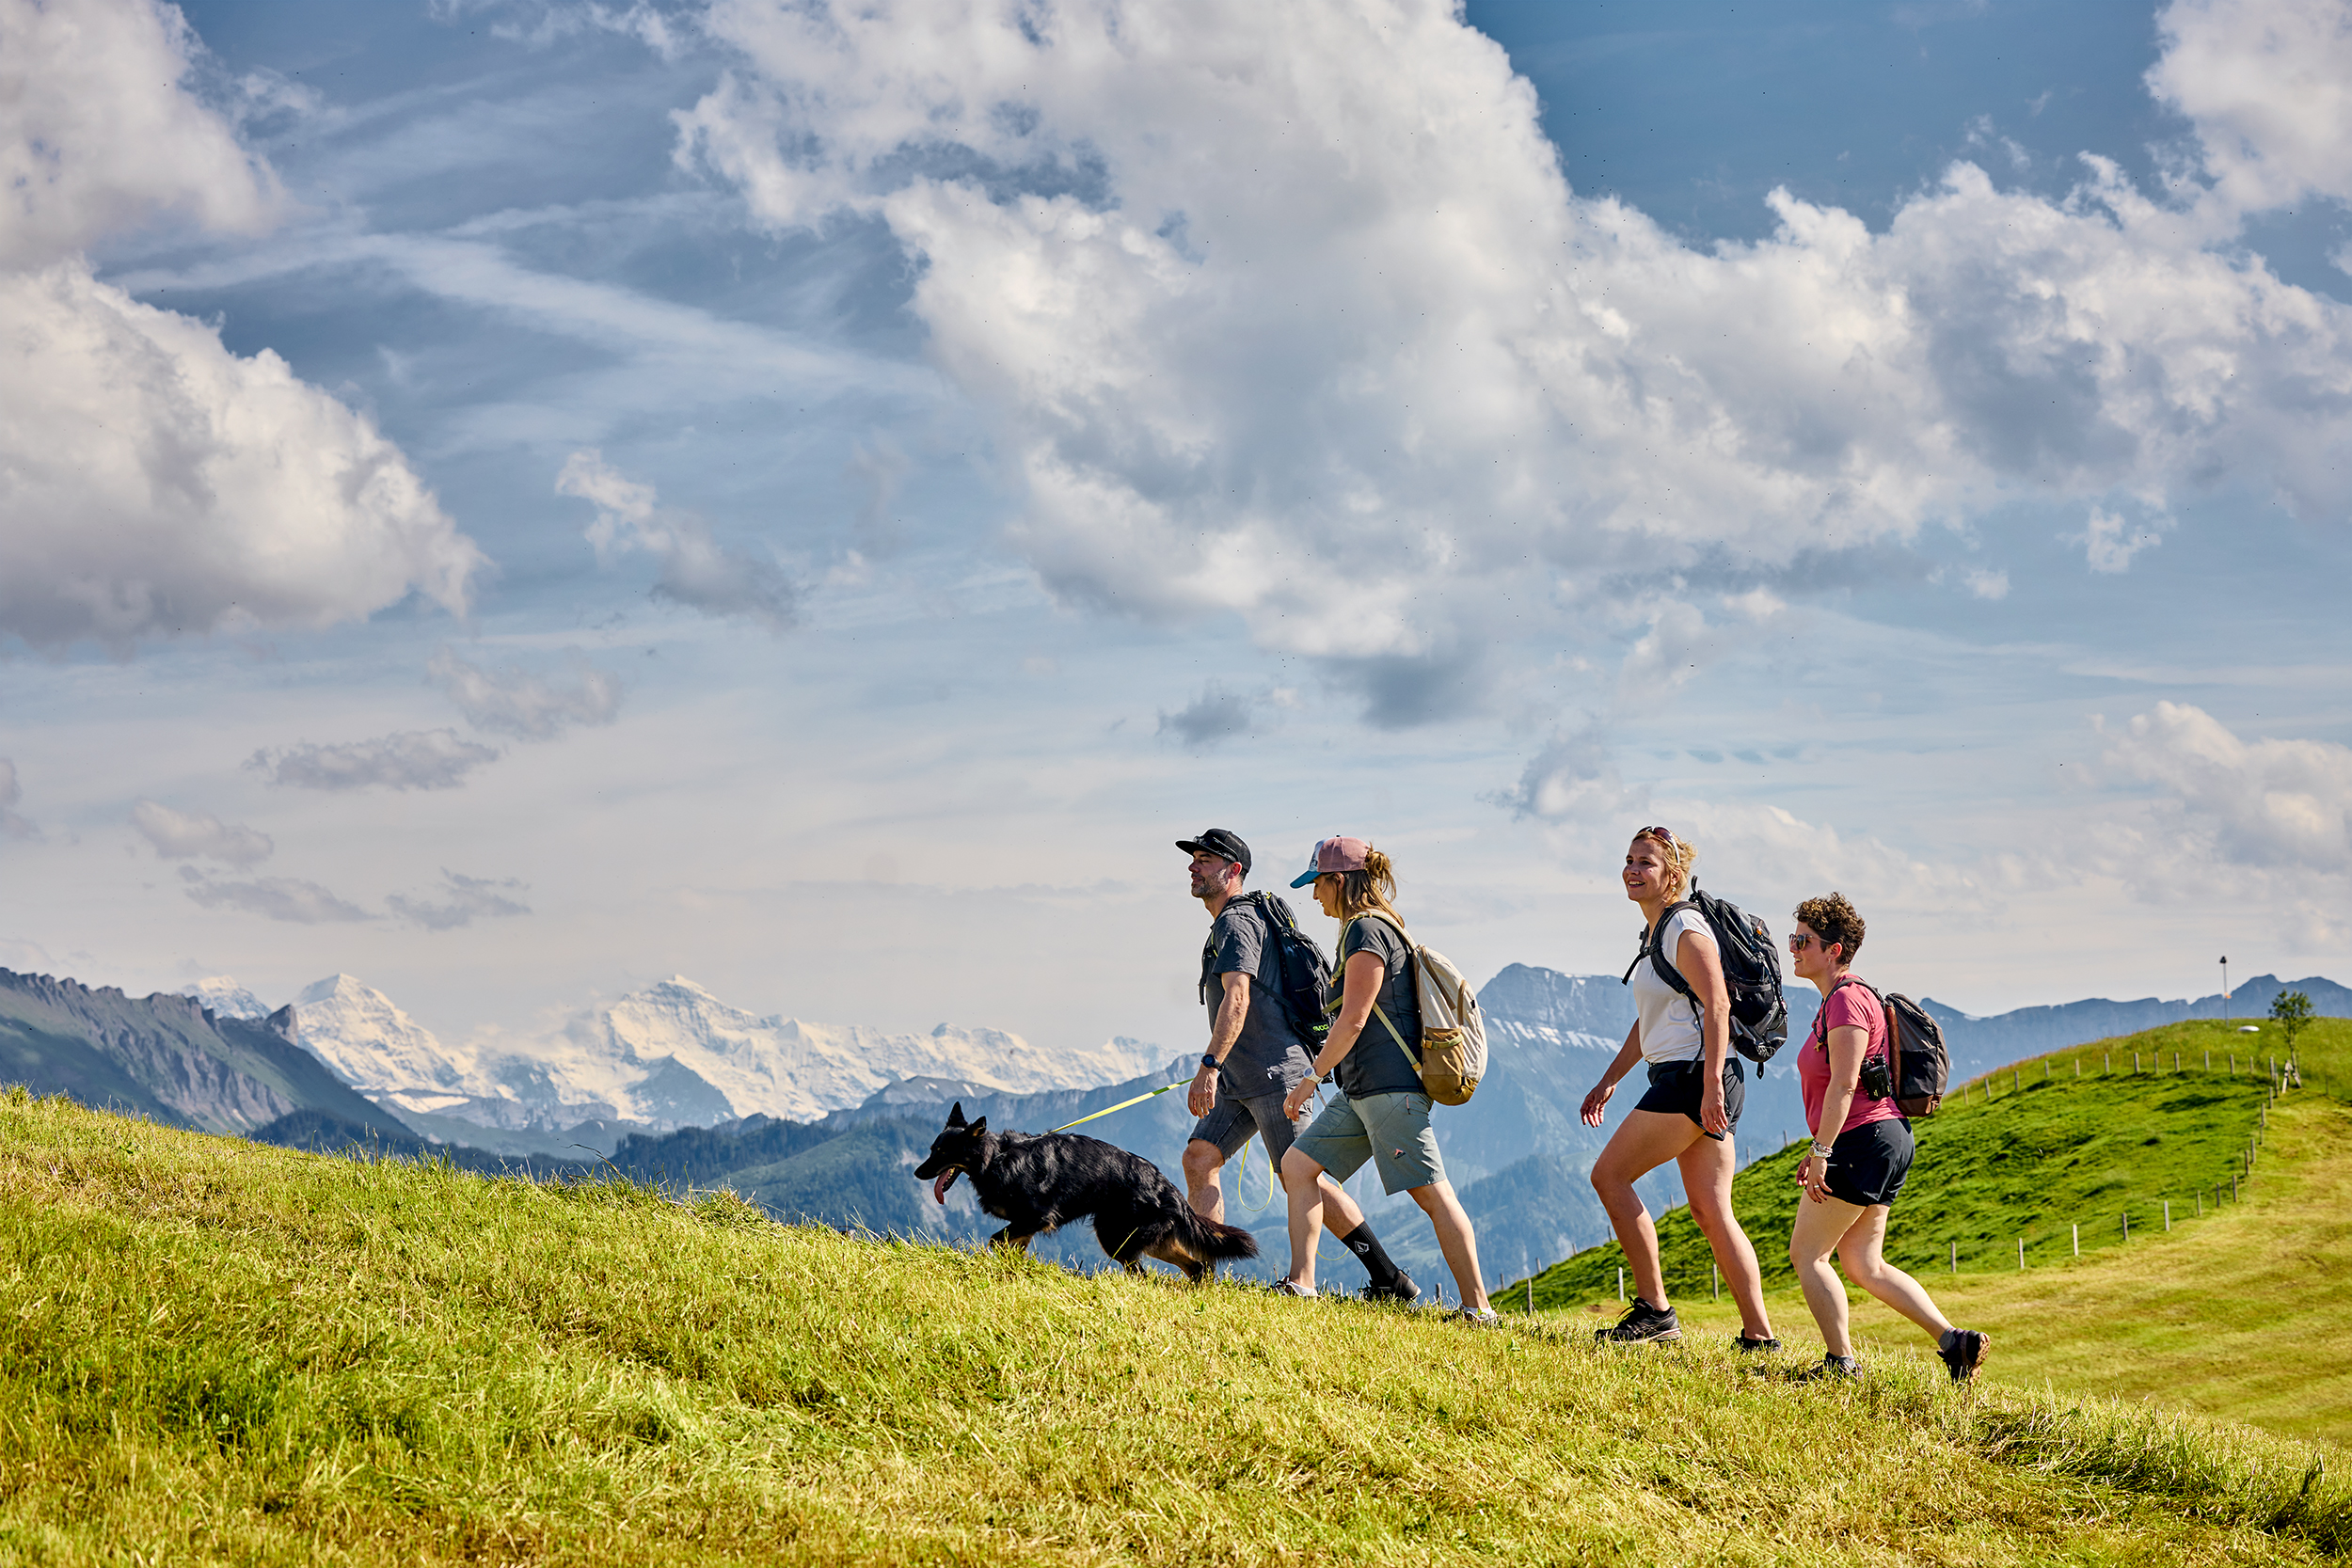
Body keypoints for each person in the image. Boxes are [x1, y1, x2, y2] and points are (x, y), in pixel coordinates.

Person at [1176, 830, 1418, 1301]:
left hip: (1273, 1075)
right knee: (1199, 1157)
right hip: (1241, 1078)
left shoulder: (1236, 922)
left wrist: (1209, 1064)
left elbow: (1238, 995)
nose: (1194, 867)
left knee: (1301, 1176)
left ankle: (1389, 1278)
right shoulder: (1234, 921)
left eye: (1206, 860)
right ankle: (1202, 1273)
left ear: (1234, 871)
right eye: (1194, 860)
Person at [1277, 836, 1496, 1324]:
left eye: (1317, 884)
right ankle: (1301, 1284)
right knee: (1297, 1165)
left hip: (1389, 1091)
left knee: (1433, 1195)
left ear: (1339, 881)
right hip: (1361, 1091)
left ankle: (1478, 1309)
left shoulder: (1367, 931)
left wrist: (1310, 1079)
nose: (1314, 897)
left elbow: (1354, 1018)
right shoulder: (1370, 929)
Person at [1581, 827, 1779, 1349]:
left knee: (1609, 1176)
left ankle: (1654, 1311)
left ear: (1672, 873)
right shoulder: (1654, 934)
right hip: (1696, 1076)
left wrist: (1711, 1084)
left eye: (1645, 861)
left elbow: (1718, 1004)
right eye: (1628, 859)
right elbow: (1651, 1020)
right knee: (1712, 1211)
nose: (1632, 869)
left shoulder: (1684, 928)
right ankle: (1760, 1337)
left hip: (1696, 1076)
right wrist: (1609, 1081)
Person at [1786, 892, 1990, 1382]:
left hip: (1864, 1139)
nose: (1792, 947)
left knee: (1807, 1255)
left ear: (1833, 949)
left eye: (1802, 940)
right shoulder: (1845, 998)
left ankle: (1840, 1364)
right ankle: (1954, 1342)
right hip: (1880, 1138)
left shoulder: (1847, 1000)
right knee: (1863, 1262)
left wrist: (1821, 1150)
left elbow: (1845, 1082)